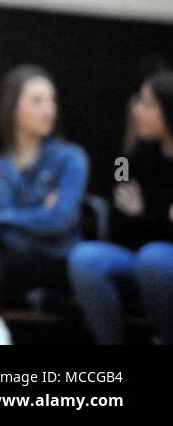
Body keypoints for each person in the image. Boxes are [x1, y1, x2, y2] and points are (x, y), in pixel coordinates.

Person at [0, 64, 88, 344]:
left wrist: (3, 218)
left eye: (52, 101)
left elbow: (61, 220)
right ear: (12, 106)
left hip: (53, 260)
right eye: (37, 101)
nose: (49, 110)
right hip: (5, 260)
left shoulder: (71, 159)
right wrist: (37, 214)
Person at [68, 70, 173, 343]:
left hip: (160, 262)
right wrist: (157, 216)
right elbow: (117, 221)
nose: (136, 110)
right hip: (138, 257)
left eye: (147, 104)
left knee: (154, 258)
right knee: (85, 258)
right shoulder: (137, 156)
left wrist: (143, 214)